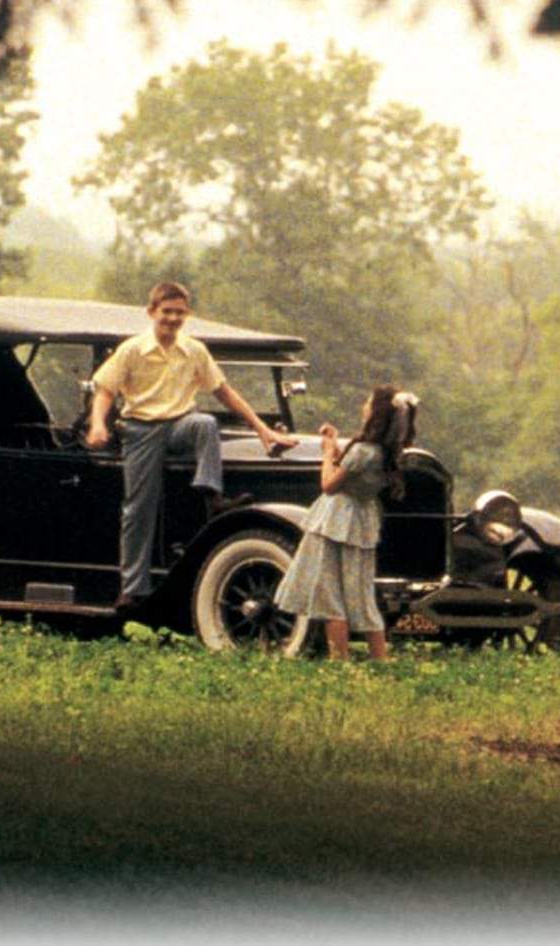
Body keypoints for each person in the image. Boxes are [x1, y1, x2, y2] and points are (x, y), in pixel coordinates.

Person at [85, 281, 297, 614]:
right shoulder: (131, 349)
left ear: (188, 315)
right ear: (152, 312)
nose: (172, 319)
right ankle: (132, 588)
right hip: (141, 428)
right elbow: (105, 391)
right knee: (139, 508)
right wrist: (98, 424)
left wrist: (263, 430)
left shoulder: (195, 350)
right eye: (166, 312)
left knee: (207, 423)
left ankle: (213, 497)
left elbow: (224, 391)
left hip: (180, 424)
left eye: (179, 313)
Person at [273, 385, 417, 662]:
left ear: (377, 413)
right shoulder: (386, 453)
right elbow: (353, 471)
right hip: (361, 523)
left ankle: (339, 660)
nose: (364, 406)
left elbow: (329, 484)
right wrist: (337, 443)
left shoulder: (362, 450)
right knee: (360, 594)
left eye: (369, 403)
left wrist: (327, 453)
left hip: (334, 521)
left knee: (329, 595)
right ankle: (380, 659)